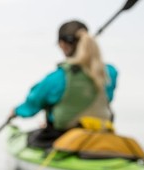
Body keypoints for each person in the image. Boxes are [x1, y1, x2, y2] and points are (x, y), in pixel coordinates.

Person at [8, 20, 118, 148]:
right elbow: (108, 98)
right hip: (101, 137)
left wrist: (16, 112)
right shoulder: (109, 72)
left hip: (62, 138)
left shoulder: (58, 78)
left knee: (34, 137)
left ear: (62, 45)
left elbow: (33, 103)